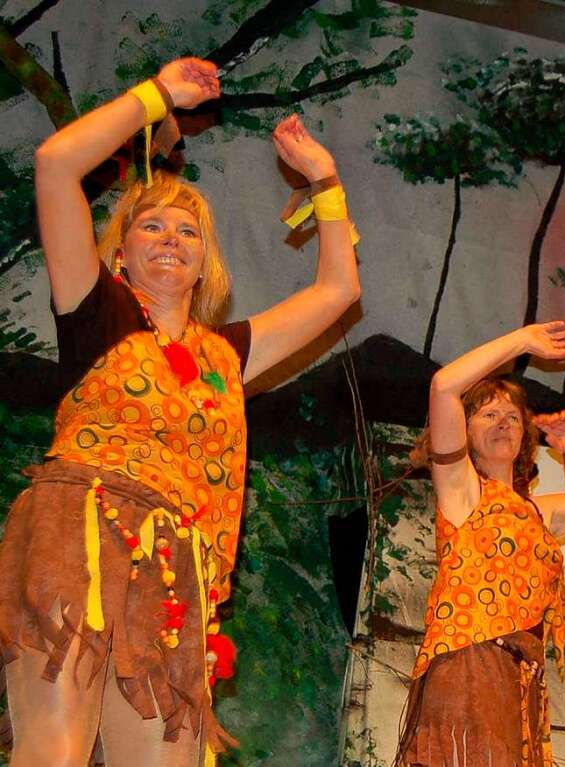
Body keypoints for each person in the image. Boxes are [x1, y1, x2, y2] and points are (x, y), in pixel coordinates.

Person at [0, 57, 360, 766]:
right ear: (122, 253)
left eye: (188, 231)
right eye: (153, 227)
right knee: (56, 751)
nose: (170, 238)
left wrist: (324, 178)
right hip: (80, 540)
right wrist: (157, 96)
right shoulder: (94, 309)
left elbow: (338, 290)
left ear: (206, 262)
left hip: (177, 574)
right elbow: (55, 163)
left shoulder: (226, 354)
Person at [395, 322, 565, 767]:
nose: (504, 423)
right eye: (488, 414)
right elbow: (443, 386)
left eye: (513, 417)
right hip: (469, 663)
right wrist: (521, 342)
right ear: (464, 432)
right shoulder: (461, 490)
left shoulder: (540, 513)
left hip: (521, 678)